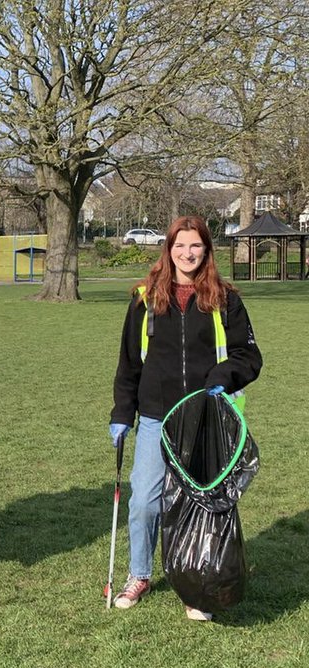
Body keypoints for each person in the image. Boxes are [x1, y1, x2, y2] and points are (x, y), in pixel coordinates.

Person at [109, 215, 262, 621]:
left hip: (203, 419)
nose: (187, 253)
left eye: (195, 245)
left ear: (207, 250)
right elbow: (129, 364)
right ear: (169, 249)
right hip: (155, 419)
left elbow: (248, 356)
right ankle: (139, 574)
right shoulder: (144, 299)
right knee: (145, 501)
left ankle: (195, 585)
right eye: (180, 245)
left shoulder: (225, 299)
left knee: (197, 505)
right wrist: (122, 413)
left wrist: (221, 378)